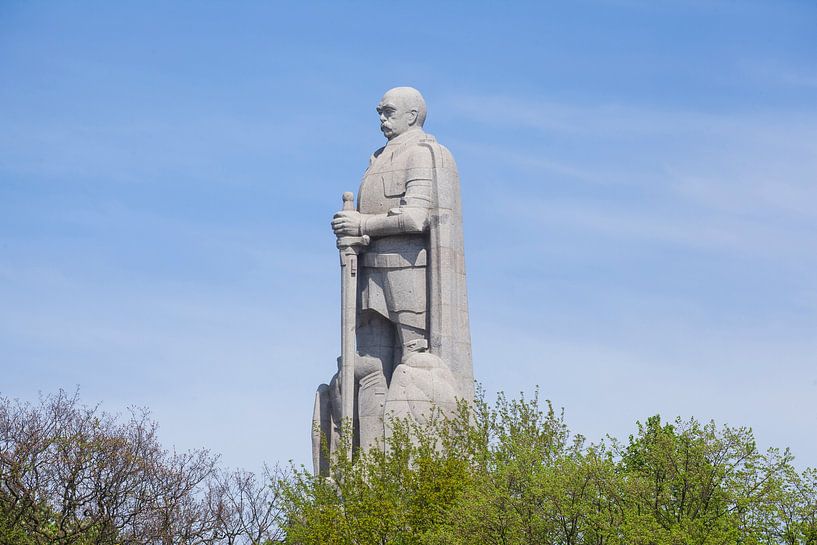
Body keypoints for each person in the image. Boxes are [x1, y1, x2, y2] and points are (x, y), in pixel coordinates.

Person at [314, 87, 472, 472]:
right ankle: (368, 465)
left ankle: (416, 461)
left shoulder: (422, 155)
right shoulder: (377, 159)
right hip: (370, 274)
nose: (382, 119)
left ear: (413, 114)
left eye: (388, 112)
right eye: (380, 113)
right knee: (366, 365)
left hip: (409, 272)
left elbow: (417, 218)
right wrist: (351, 233)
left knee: (415, 362)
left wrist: (362, 223)